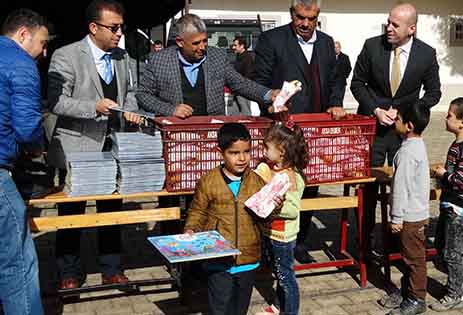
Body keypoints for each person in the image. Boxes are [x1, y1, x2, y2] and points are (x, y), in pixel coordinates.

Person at [47, 0, 143, 289]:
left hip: (116, 145)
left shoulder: (123, 57)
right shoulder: (66, 56)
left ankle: (112, 267)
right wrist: (94, 107)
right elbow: (57, 101)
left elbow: (132, 93)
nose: (118, 34)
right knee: (71, 213)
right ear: (93, 27)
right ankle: (68, 273)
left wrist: (131, 109)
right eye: (114, 28)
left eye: (121, 28)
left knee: (112, 209)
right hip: (79, 147)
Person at [254, 0, 345, 264]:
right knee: (277, 185)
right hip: (282, 130)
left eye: (311, 18)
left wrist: (336, 103)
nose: (305, 23)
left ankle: (300, 242)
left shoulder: (327, 42)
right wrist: (269, 103)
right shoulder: (272, 39)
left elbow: (336, 78)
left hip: (315, 128)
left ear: (318, 17)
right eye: (300, 17)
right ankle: (270, 244)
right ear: (291, 14)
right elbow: (259, 80)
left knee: (309, 185)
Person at [350, 3, 441, 255]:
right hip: (373, 131)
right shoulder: (372, 46)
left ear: (411, 28)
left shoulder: (426, 54)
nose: (388, 28)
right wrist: (375, 110)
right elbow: (357, 83)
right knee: (368, 187)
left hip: (404, 135)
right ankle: (365, 245)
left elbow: (434, 93)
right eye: (388, 22)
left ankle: (395, 245)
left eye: (395, 25)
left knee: (403, 187)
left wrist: (407, 113)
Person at [183, 123, 272, 315]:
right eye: (234, 153)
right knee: (220, 308)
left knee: (240, 309)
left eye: (247, 152)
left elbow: (266, 217)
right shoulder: (208, 181)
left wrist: (275, 203)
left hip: (248, 257)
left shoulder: (256, 181)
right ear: (220, 152)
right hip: (218, 259)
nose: (242, 158)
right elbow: (197, 211)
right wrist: (191, 230)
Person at [136, 13, 277, 118]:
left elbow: (240, 84)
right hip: (175, 134)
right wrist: (170, 110)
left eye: (204, 41)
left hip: (211, 131)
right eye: (196, 43)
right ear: (180, 42)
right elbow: (143, 95)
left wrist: (269, 94)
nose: (202, 47)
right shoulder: (159, 61)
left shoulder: (217, 57)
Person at [0, 8, 48, 314]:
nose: (44, 52)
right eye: (42, 43)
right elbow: (28, 126)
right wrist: (36, 149)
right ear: (22, 34)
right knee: (17, 263)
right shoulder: (21, 63)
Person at [430, 97, 463, 312]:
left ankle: (455, 294)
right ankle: (456, 281)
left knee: (452, 253)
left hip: (459, 210)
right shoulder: (457, 144)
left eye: (450, 115)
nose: (446, 117)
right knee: (442, 249)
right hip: (449, 206)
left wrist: (444, 175)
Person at [378, 103, 431, 315]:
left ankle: (417, 298)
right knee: (409, 257)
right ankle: (407, 291)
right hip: (416, 213)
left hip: (410, 215)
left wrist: (396, 217)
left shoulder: (407, 153)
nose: (394, 121)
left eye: (398, 119)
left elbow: (400, 188)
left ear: (408, 126)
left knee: (414, 260)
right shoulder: (417, 145)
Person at [254, 122, 309, 315]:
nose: (262, 151)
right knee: (280, 273)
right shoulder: (271, 169)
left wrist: (275, 205)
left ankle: (290, 311)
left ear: (282, 151)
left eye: (266, 147)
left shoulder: (291, 177)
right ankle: (278, 306)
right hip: (271, 232)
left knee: (286, 277)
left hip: (283, 237)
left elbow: (293, 210)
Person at [230, 36, 255, 115]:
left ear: (242, 46)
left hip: (244, 90)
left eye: (235, 45)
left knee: (245, 113)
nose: (233, 47)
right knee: (234, 113)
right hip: (236, 90)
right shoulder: (238, 58)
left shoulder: (247, 58)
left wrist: (240, 86)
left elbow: (249, 75)